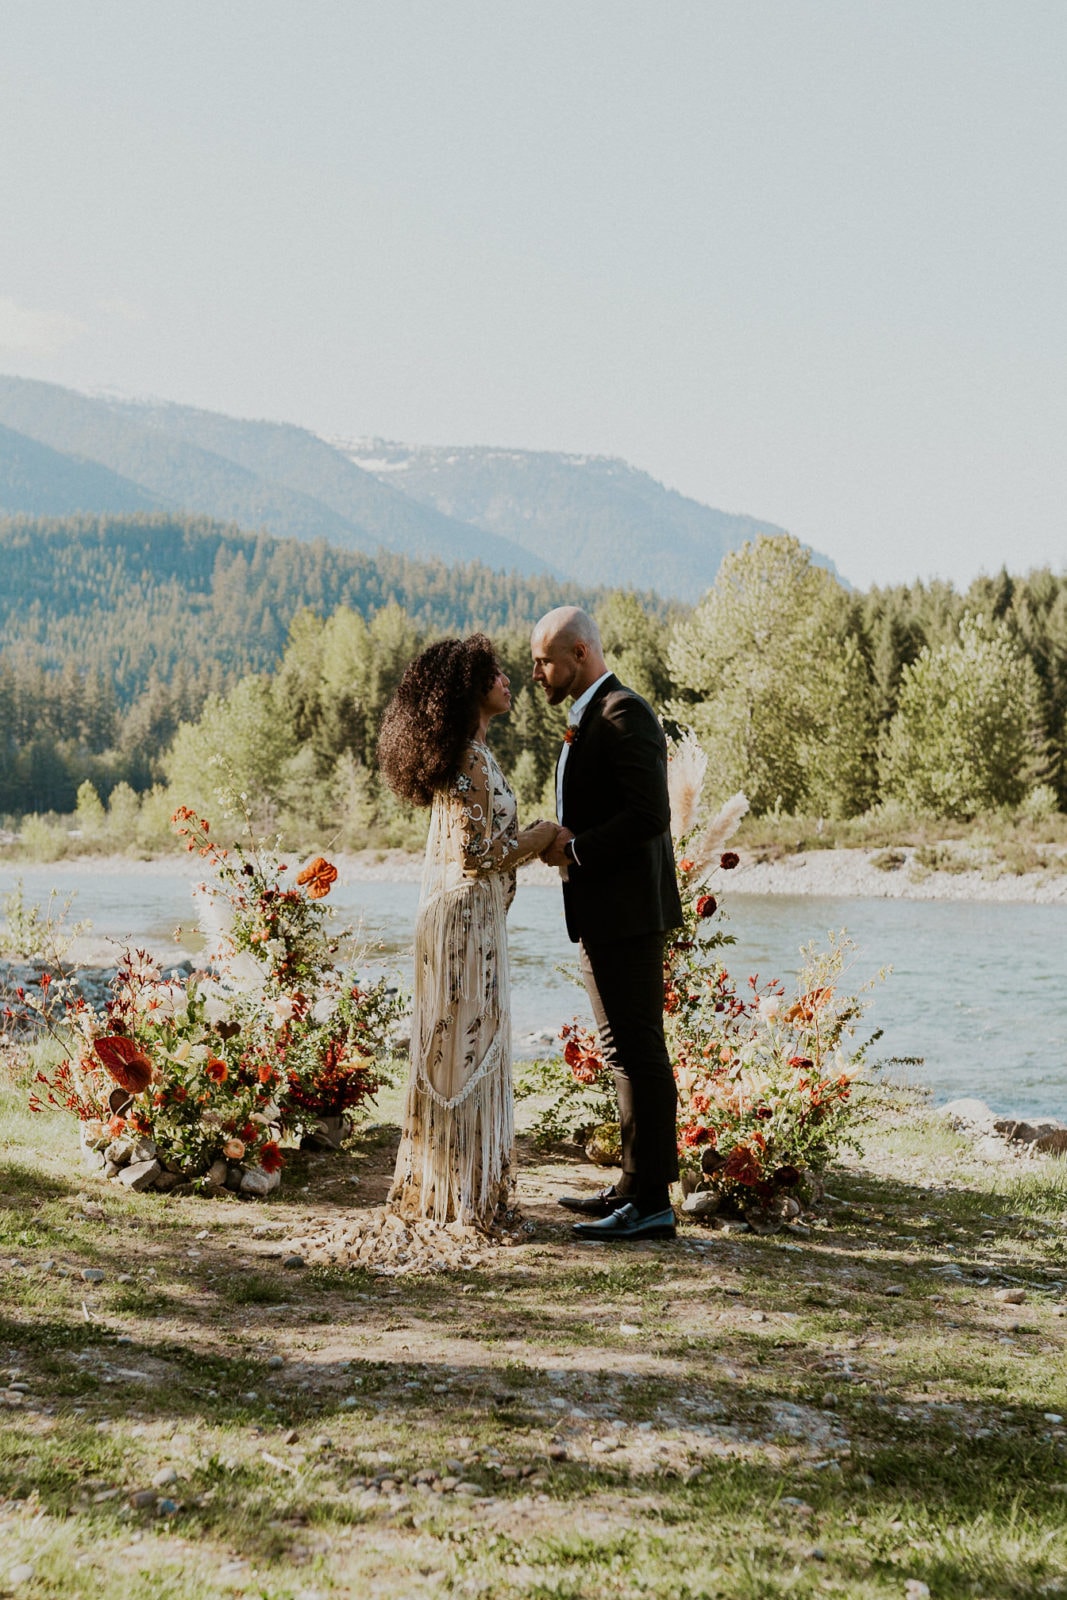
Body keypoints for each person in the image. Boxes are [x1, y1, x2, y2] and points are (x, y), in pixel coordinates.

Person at [378, 635, 558, 1227]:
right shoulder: (470, 759)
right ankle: (462, 1191)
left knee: (458, 1040)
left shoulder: (469, 754)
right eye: (498, 675)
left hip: (463, 917)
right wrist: (539, 837)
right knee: (467, 1040)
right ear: (471, 689)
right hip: (465, 923)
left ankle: (454, 1185)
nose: (510, 682)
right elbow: (477, 855)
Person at [532, 606, 683, 1242]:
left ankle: (653, 1204)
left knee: (639, 1049)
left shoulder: (625, 712)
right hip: (601, 912)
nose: (538, 672)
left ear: (582, 653)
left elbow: (649, 815)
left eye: (545, 660)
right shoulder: (589, 716)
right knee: (620, 1049)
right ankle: (630, 1187)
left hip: (627, 914)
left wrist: (575, 849)